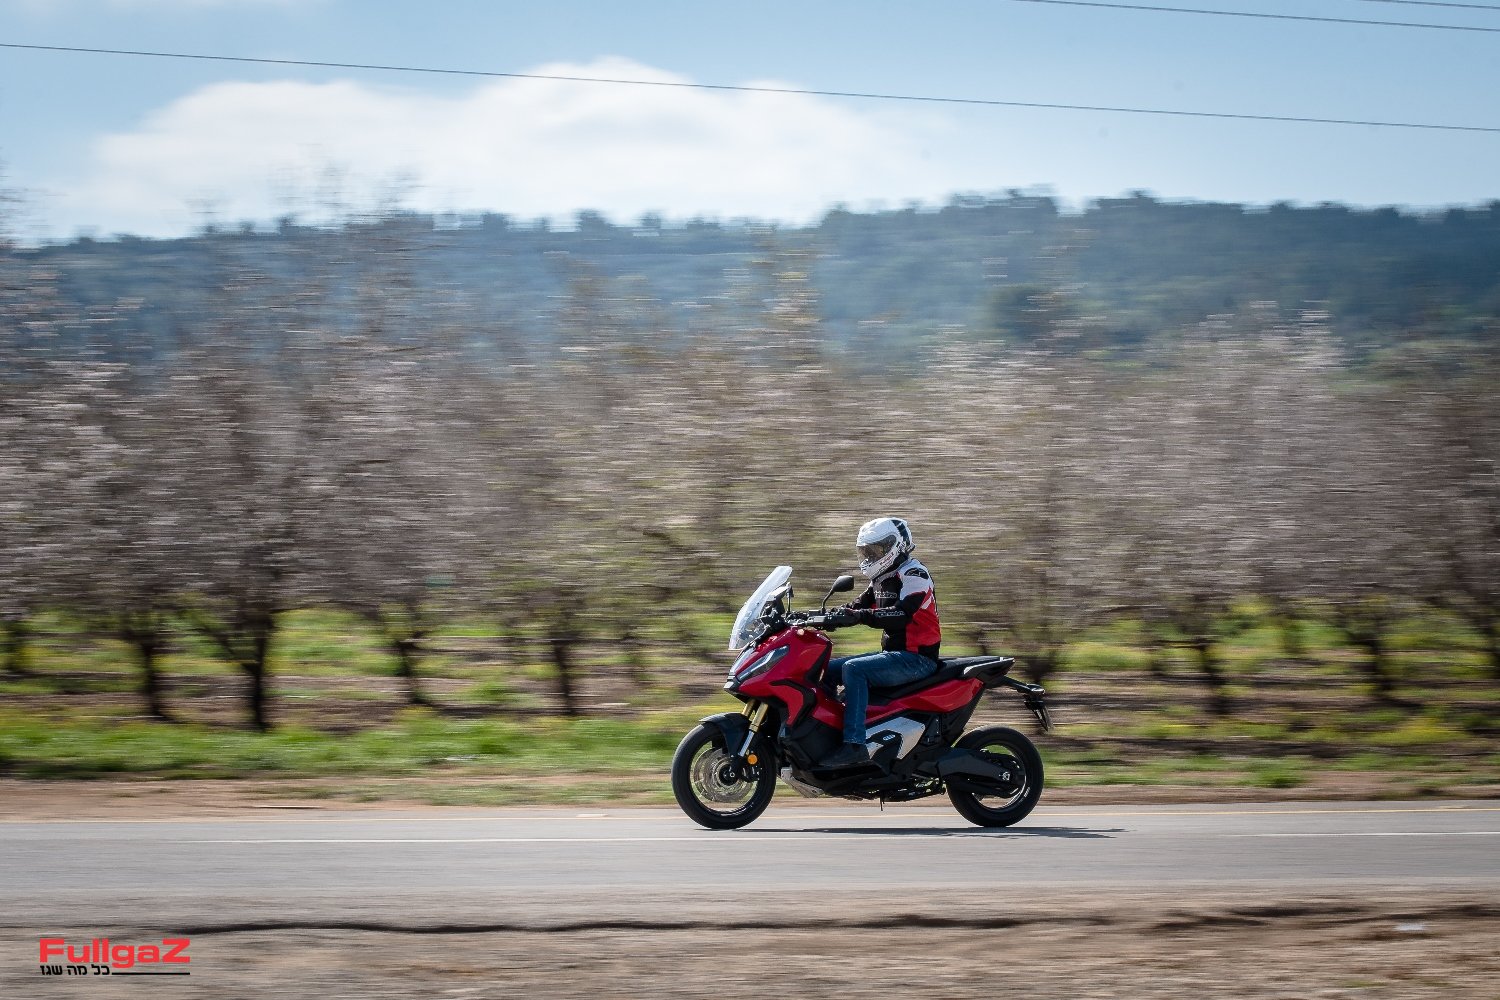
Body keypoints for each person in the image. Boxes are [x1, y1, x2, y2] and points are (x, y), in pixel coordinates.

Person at [818, 517, 941, 768]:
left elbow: (902, 614)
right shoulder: (883, 577)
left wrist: (860, 617)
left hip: (917, 659)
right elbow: (857, 606)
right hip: (895, 656)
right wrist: (823, 617)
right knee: (825, 668)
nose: (871, 556)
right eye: (867, 551)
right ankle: (825, 731)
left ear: (895, 546)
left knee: (854, 669)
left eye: (876, 550)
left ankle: (854, 745)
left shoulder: (914, 574)